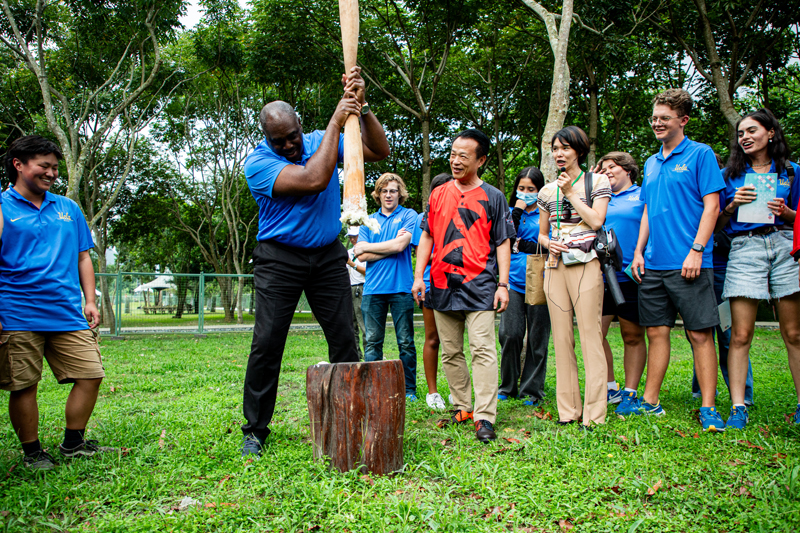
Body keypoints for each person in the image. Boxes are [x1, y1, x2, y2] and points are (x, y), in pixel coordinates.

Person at [241, 66, 390, 456]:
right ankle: (255, 430)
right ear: (266, 138)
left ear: (298, 125)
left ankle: (353, 416)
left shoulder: (316, 140)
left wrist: (361, 107)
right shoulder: (257, 164)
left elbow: (378, 150)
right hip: (279, 259)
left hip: (326, 256)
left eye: (292, 136)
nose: (289, 145)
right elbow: (313, 179)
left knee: (344, 338)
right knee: (267, 343)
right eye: (280, 141)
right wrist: (336, 121)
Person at [1, 135, 109, 470]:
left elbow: (83, 258)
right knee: (24, 385)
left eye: (54, 168)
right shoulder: (3, 208)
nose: (51, 173)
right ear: (19, 165)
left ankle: (73, 442)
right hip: (17, 312)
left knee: (91, 374)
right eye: (43, 166)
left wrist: (89, 300)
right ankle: (33, 452)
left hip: (65, 310)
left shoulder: (68, 208)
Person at [630, 88, 727, 432]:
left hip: (690, 261)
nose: (657, 123)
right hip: (654, 264)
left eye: (664, 118)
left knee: (700, 335)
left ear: (683, 121)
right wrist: (639, 251)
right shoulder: (651, 162)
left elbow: (712, 206)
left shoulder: (701, 155)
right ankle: (650, 401)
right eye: (654, 117)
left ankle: (709, 407)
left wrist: (697, 250)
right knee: (656, 332)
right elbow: (647, 211)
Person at [412, 129, 515, 443]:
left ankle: (485, 417)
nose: (455, 161)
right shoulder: (438, 193)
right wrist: (419, 276)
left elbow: (503, 242)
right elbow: (427, 234)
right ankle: (463, 406)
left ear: (481, 160)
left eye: (463, 156)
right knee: (451, 352)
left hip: (481, 284)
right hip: (441, 283)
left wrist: (503, 284)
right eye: (453, 154)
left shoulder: (493, 197)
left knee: (482, 350)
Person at [714, 108, 800, 429]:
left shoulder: (792, 172)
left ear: (771, 133)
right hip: (744, 247)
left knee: (793, 333)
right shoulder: (728, 175)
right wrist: (732, 205)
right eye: (741, 133)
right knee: (740, 333)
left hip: (783, 244)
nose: (745, 137)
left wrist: (788, 212)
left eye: (752, 130)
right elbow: (718, 223)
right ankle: (738, 408)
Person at [537, 126, 611, 428]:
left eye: (565, 148)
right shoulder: (545, 191)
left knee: (590, 335)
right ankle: (568, 411)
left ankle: (594, 415)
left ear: (578, 151)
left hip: (587, 263)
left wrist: (569, 192)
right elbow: (541, 234)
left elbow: (595, 221)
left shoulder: (598, 181)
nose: (559, 154)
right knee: (562, 339)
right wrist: (548, 243)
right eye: (555, 149)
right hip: (555, 266)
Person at [688, 153, 755, 407]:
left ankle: (743, 395)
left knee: (729, 333)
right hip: (694, 273)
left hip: (723, 272)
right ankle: (701, 389)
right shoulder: (690, 194)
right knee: (699, 333)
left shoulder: (726, 188)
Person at [354, 173, 418, 400]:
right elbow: (360, 255)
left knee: (406, 342)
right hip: (373, 290)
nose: (388, 195)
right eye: (384, 191)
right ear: (378, 194)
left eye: (393, 190)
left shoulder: (409, 215)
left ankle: (409, 389)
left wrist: (373, 247)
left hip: (401, 288)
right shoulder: (367, 221)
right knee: (372, 342)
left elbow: (402, 245)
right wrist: (392, 246)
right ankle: (372, 389)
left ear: (400, 193)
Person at [593, 152, 647, 416]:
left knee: (632, 335)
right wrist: (593, 181)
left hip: (630, 275)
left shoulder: (642, 194)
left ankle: (631, 391)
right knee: (595, 334)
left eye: (612, 167)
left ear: (628, 170)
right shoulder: (598, 198)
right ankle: (610, 385)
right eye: (603, 168)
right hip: (599, 275)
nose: (607, 171)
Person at [498, 167, 551, 406]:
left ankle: (531, 390)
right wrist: (518, 210)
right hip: (512, 281)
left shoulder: (547, 212)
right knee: (510, 334)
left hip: (541, 278)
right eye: (522, 188)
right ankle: (507, 386)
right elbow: (505, 240)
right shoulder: (508, 212)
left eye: (532, 189)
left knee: (537, 337)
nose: (526, 193)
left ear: (540, 190)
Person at [411, 172, 453, 410]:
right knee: (433, 338)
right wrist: (421, 280)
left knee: (454, 342)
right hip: (431, 283)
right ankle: (433, 392)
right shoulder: (423, 217)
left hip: (458, 282)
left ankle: (457, 390)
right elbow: (422, 252)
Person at [346, 226, 367, 360]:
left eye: (355, 236)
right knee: (351, 325)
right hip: (349, 289)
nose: (353, 239)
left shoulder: (367, 251)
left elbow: (368, 272)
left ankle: (369, 355)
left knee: (364, 324)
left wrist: (352, 264)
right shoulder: (347, 252)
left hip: (362, 288)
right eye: (350, 236)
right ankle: (355, 356)